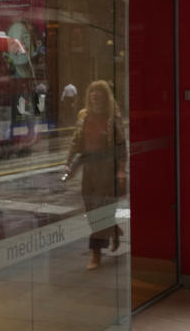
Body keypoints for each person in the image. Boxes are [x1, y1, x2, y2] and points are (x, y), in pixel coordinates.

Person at [64, 80, 127, 270]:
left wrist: (121, 170)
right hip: (89, 169)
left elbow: (121, 146)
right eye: (92, 92)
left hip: (106, 169)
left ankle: (96, 253)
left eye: (98, 93)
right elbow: (76, 141)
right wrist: (68, 162)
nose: (94, 96)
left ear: (105, 96)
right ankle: (113, 230)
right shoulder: (83, 116)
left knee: (101, 210)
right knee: (92, 210)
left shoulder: (112, 118)